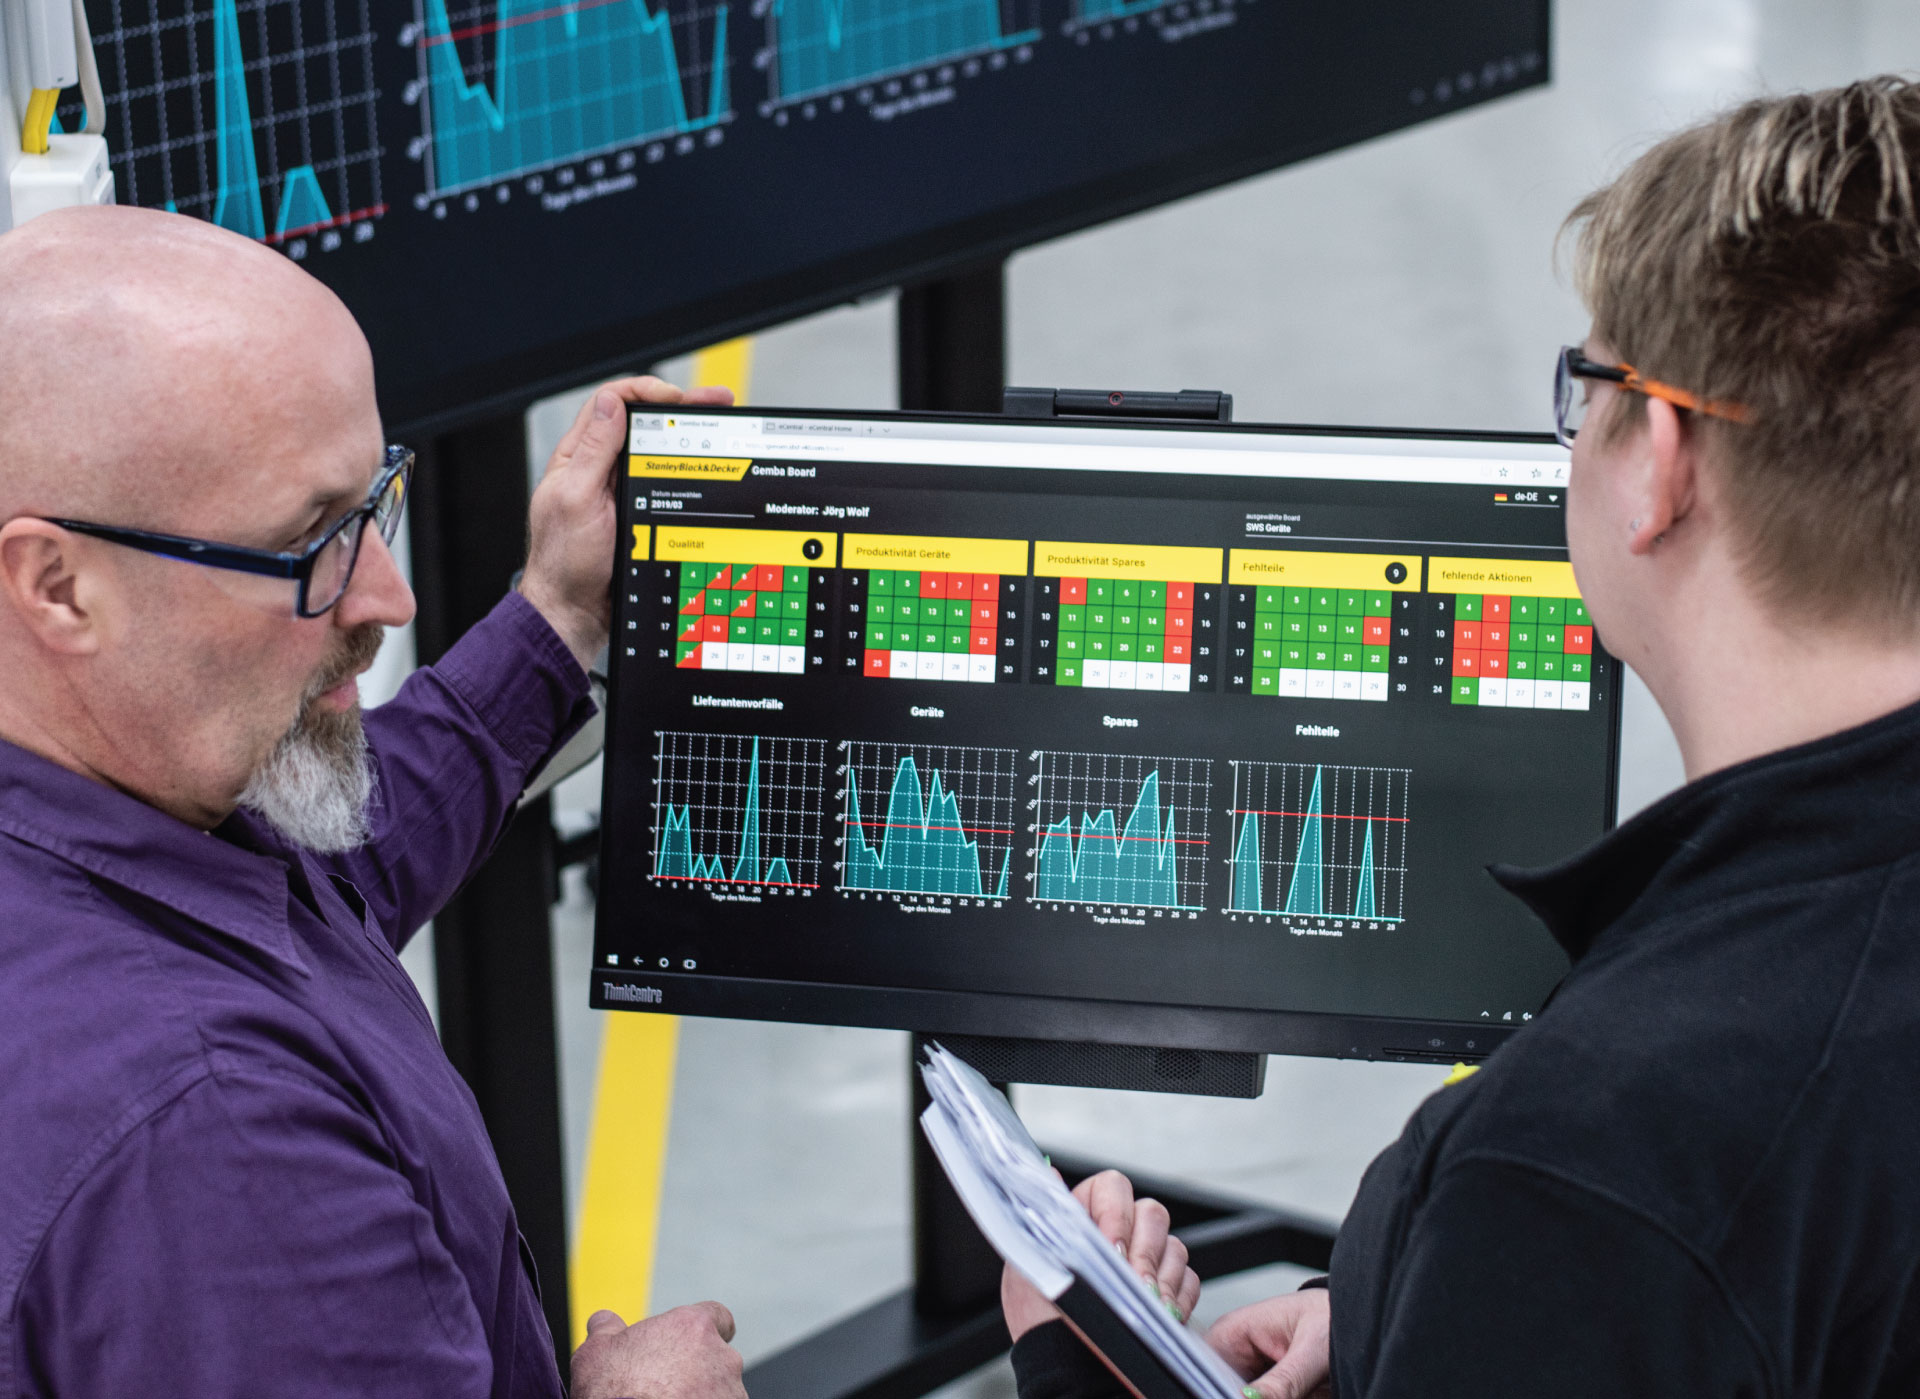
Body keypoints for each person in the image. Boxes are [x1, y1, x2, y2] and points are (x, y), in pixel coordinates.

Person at [1005, 75, 1920, 1399]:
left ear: (1660, 463)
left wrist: (1083, 1371)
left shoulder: (1589, 1154)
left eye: (1590, 384)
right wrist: (1399, 1308)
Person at [0, 204, 743, 1398]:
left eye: (372, 504)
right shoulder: (216, 1142)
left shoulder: (109, 793)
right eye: (311, 543)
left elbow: (318, 881)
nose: (388, 598)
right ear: (59, 585)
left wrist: (561, 617)